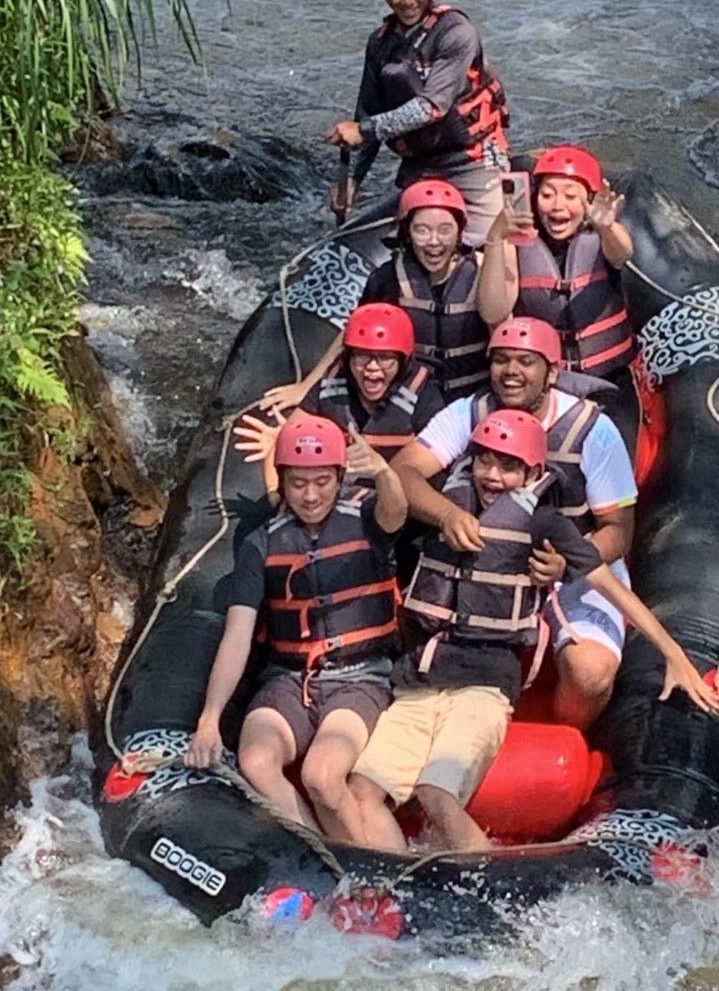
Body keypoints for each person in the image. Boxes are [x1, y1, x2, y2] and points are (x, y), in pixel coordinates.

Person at [349, 410, 716, 854]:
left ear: (532, 473)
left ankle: (492, 890)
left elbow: (610, 586)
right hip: (419, 682)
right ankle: (391, 892)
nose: (493, 475)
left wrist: (673, 655)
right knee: (362, 793)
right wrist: (391, 478)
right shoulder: (445, 509)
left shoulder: (544, 524)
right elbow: (393, 508)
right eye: (485, 461)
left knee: (435, 795)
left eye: (508, 466)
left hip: (482, 688)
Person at [389, 317, 636, 729]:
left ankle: (563, 736)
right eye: (501, 360)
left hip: (567, 568)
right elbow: (403, 473)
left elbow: (620, 531)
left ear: (551, 372)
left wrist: (568, 564)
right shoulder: (469, 412)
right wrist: (447, 513)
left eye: (526, 362)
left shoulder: (595, 430)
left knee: (590, 673)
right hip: (485, 563)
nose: (511, 372)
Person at [183, 413, 406, 844]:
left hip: (360, 678)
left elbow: (397, 510)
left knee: (322, 775)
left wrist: (381, 469)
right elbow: (238, 634)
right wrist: (209, 719)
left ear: (339, 477)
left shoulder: (367, 518)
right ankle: (321, 861)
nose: (310, 495)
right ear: (281, 482)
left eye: (322, 482)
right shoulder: (261, 542)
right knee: (255, 760)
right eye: (298, 483)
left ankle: (361, 871)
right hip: (289, 680)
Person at [326, 0, 509, 246]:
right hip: (421, 164)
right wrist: (352, 180)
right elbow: (367, 112)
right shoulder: (380, 43)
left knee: (494, 246)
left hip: (474, 160)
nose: (407, 0)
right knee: (414, 250)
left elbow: (431, 108)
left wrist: (366, 129)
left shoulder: (457, 32)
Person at [262, 179, 490, 412]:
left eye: (445, 230)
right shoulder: (388, 278)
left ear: (460, 232)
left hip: (470, 400)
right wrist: (307, 387)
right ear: (407, 233)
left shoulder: (483, 274)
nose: (433, 242)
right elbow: (351, 335)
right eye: (421, 230)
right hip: (414, 401)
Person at [235, 303, 445, 494]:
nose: (372, 368)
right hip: (339, 495)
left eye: (385, 358)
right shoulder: (331, 385)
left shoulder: (424, 396)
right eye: (362, 356)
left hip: (395, 499)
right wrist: (275, 493)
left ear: (403, 362)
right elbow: (287, 438)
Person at [477, 144, 638, 383]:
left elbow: (622, 254)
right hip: (545, 380)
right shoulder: (518, 241)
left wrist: (607, 227)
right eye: (547, 194)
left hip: (610, 373)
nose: (557, 205)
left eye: (571, 196)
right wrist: (495, 238)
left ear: (590, 200)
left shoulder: (604, 235)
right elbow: (493, 312)